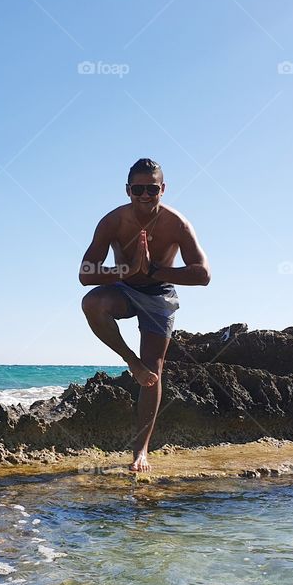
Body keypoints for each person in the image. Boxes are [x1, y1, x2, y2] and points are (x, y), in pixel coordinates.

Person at [79, 158, 211, 472]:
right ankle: (130, 361)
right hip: (123, 288)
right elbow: (85, 274)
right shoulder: (112, 222)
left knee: (153, 372)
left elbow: (203, 275)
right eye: (137, 188)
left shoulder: (176, 224)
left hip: (159, 293)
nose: (144, 195)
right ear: (128, 190)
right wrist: (127, 269)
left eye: (151, 188)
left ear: (162, 189)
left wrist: (154, 270)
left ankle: (141, 452)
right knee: (91, 303)